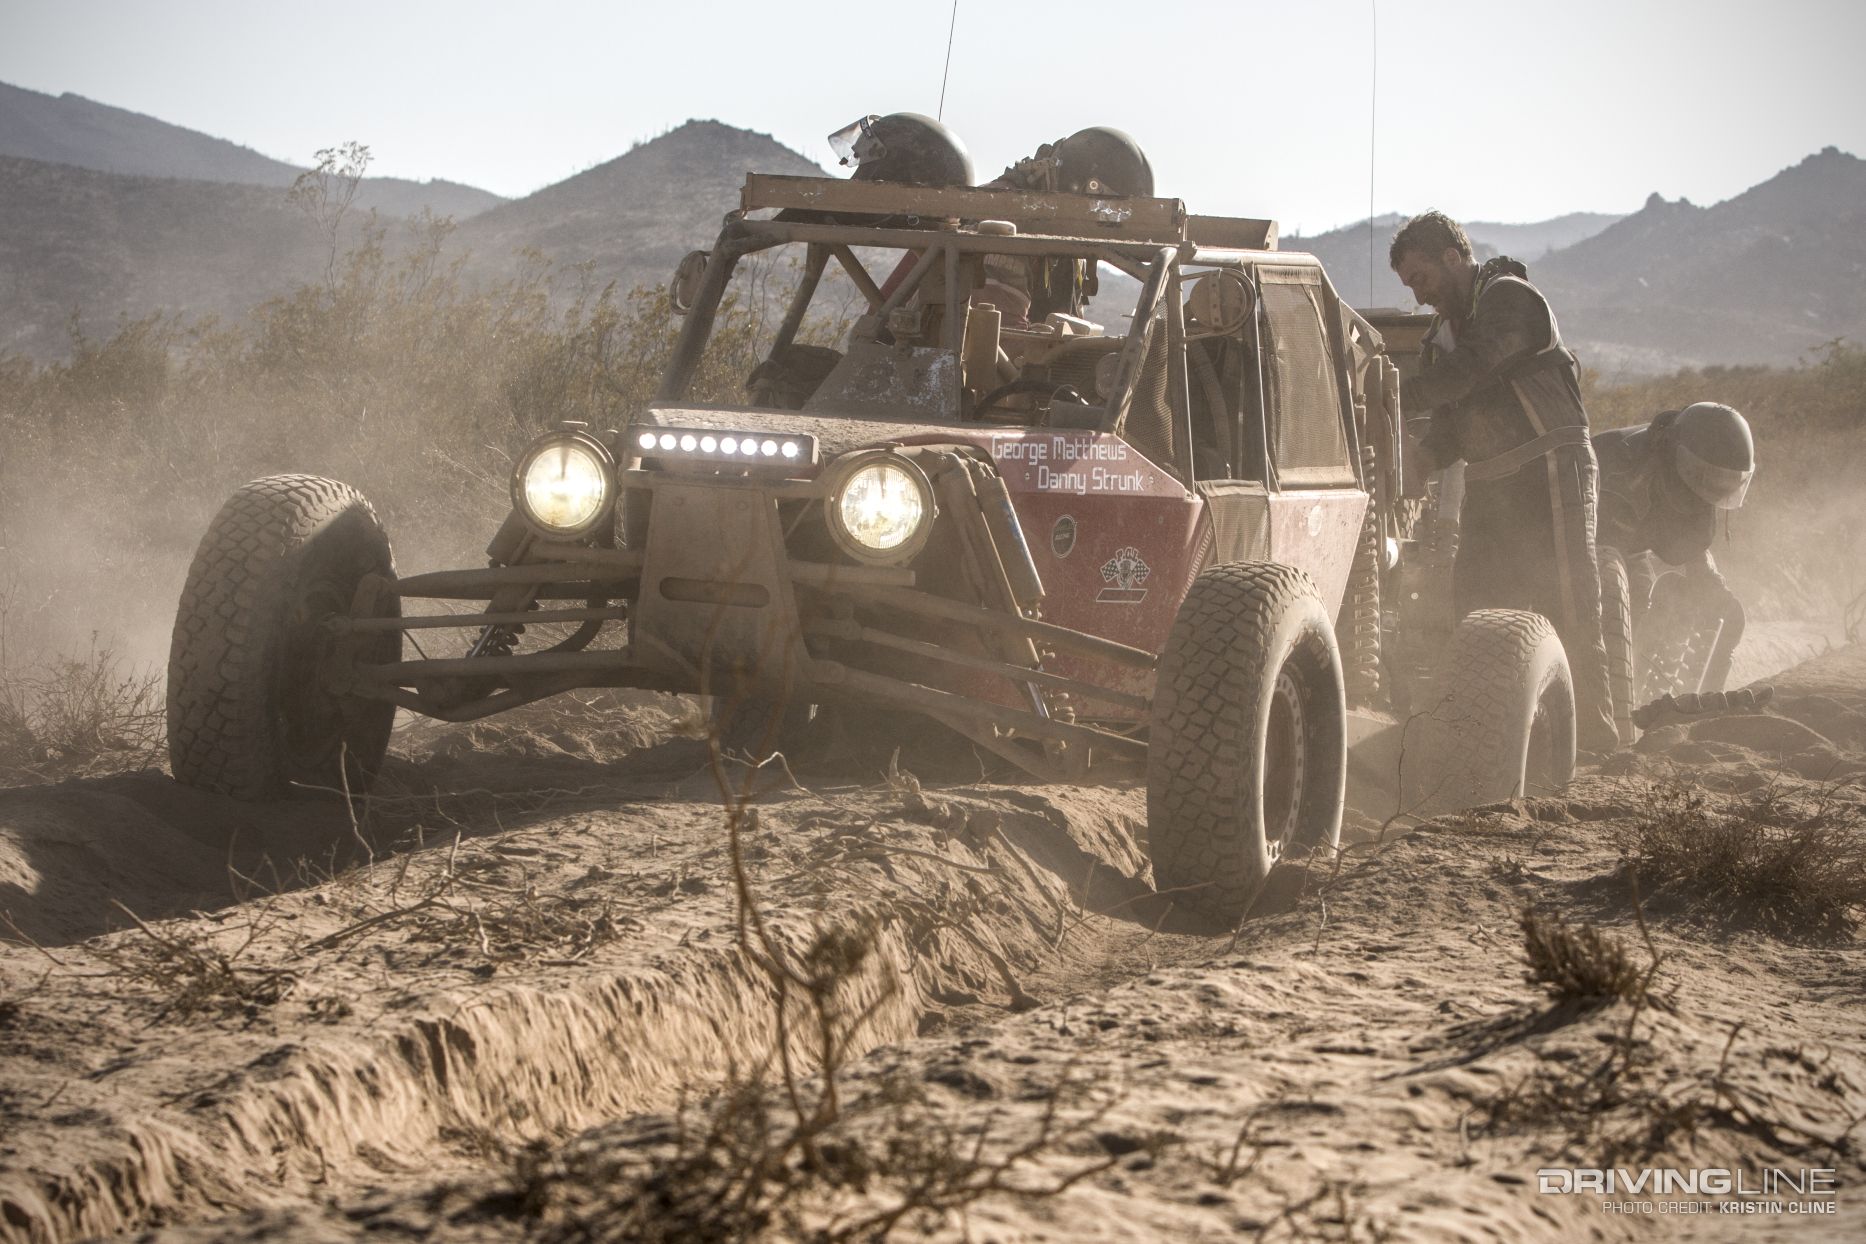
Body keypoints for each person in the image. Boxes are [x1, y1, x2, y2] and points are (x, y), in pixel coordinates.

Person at [1389, 210, 1621, 754]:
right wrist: (1416, 463)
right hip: (1492, 485)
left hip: (1550, 470)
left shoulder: (1509, 298)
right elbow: (1449, 429)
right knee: (1478, 607)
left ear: (1453, 257)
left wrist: (1386, 393)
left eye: (1420, 279)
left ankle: (1594, 738)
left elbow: (1471, 370)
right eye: (1409, 286)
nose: (1419, 297)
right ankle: (1490, 739)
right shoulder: (1440, 336)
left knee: (1567, 598)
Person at [1594, 403, 1754, 694]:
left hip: (1627, 545)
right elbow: (1596, 551)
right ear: (1683, 460)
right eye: (1710, 478)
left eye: (1725, 482)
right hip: (1582, 541)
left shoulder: (1695, 481)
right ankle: (1607, 691)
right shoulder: (1616, 462)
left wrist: (1708, 581)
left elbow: (1691, 545)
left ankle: (1635, 690)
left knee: (1641, 608)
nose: (1716, 489)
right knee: (1621, 611)